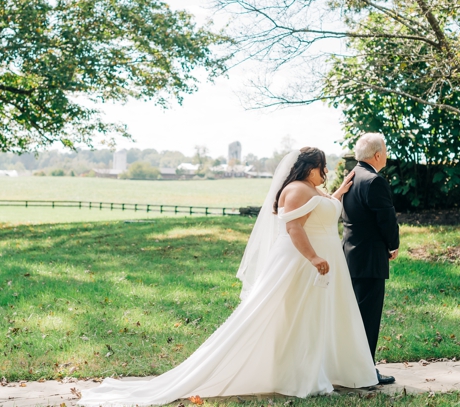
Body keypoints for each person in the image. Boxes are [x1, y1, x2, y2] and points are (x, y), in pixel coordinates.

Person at [78, 147, 377, 406]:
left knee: (316, 317)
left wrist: (336, 194)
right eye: (322, 167)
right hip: (301, 262)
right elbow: (294, 228)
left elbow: (321, 210)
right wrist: (313, 257)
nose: (324, 172)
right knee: (298, 317)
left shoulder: (312, 190)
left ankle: (321, 370)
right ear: (309, 167)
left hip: (320, 263)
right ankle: (304, 377)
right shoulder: (297, 189)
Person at [341, 133, 400, 385]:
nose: (386, 154)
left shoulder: (351, 177)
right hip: (370, 258)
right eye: (385, 150)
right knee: (368, 319)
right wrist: (393, 245)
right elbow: (386, 219)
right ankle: (364, 372)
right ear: (377, 155)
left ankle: (351, 368)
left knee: (354, 316)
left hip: (349, 255)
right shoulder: (374, 181)